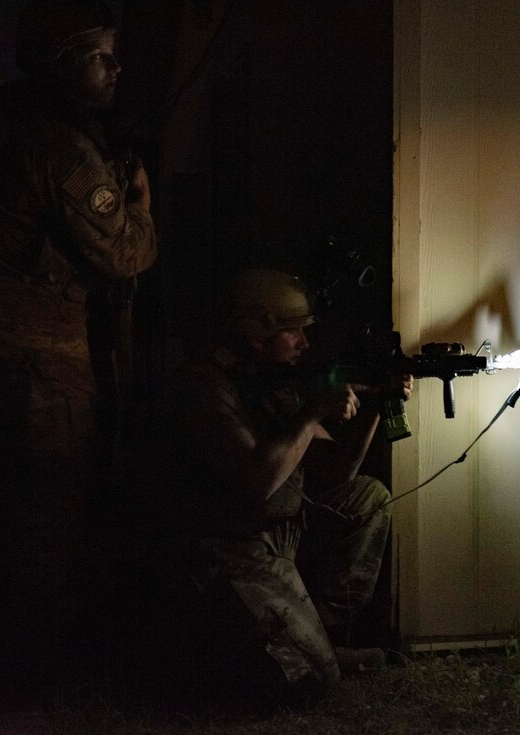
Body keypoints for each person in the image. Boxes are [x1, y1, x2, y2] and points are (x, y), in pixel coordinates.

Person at [0, 0, 157, 696]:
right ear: (62, 60)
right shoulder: (62, 144)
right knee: (52, 498)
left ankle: (6, 649)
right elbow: (126, 253)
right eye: (100, 55)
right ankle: (37, 669)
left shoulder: (2, 116)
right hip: (44, 348)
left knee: (11, 496)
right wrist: (137, 194)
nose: (115, 68)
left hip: (5, 337)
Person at [140, 268, 410, 708]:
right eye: (293, 333)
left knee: (366, 497)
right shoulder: (206, 388)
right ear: (256, 331)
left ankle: (316, 633)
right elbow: (257, 481)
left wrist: (377, 406)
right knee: (313, 682)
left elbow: (338, 474)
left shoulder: (267, 380)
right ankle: (293, 652)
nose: (304, 344)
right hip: (225, 551)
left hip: (277, 537)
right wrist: (309, 415)